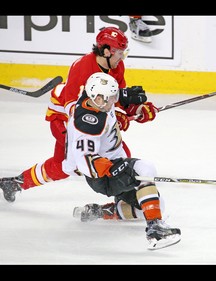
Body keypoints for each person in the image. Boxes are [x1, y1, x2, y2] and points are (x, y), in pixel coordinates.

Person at [0, 26, 158, 203]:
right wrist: (115, 117)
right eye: (119, 52)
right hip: (64, 119)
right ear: (106, 51)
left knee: (116, 153)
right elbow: (75, 111)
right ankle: (17, 183)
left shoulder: (117, 66)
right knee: (68, 166)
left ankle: (14, 184)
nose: (122, 57)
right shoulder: (82, 67)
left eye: (123, 52)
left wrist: (137, 110)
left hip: (91, 116)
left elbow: (114, 97)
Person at [63, 72, 181, 250]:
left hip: (115, 164)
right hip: (103, 176)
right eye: (110, 99)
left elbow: (117, 104)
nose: (113, 101)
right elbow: (85, 163)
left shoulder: (97, 101)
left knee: (153, 205)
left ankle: (99, 211)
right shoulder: (88, 123)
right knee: (145, 169)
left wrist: (136, 110)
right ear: (98, 98)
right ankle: (155, 229)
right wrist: (110, 168)